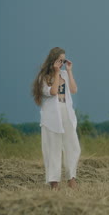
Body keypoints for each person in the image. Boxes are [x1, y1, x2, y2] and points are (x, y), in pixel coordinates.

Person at [32, 47, 81, 190]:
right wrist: (56, 72)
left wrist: (69, 71)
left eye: (63, 60)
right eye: (60, 60)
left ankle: (72, 178)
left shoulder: (65, 74)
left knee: (73, 146)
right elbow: (53, 91)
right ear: (53, 60)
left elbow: (73, 90)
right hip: (52, 116)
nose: (62, 63)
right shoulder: (44, 77)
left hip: (66, 111)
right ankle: (54, 182)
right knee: (53, 149)